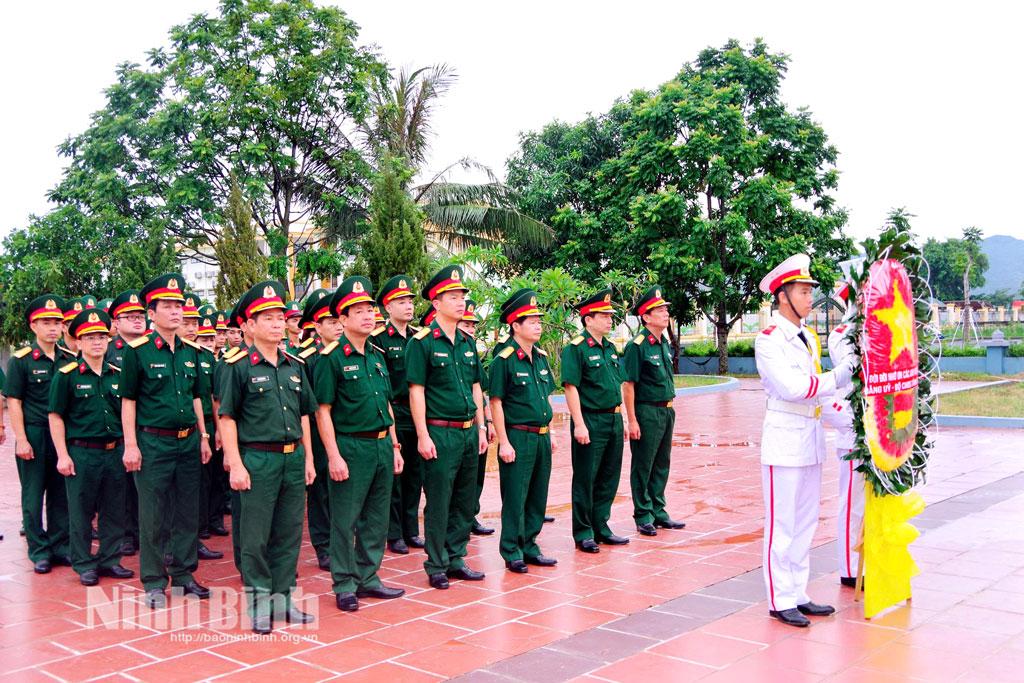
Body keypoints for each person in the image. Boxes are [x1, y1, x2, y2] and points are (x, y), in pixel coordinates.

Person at [755, 253, 857, 627]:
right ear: (783, 296)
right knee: (781, 525)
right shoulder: (768, 341)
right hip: (783, 443)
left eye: (810, 290)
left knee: (805, 522)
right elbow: (795, 388)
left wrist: (848, 422)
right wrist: (841, 375)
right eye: (802, 291)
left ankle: (798, 592)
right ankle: (779, 598)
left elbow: (818, 396)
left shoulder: (809, 338)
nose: (810, 297)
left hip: (810, 439)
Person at [219, 281, 317, 633]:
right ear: (249, 324)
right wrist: (235, 463)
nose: (277, 324)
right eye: (268, 318)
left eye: (280, 317)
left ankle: (284, 599)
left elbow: (305, 413)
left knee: (289, 533)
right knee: (256, 536)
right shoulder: (238, 366)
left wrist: (308, 459)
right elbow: (227, 417)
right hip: (258, 459)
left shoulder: (294, 364)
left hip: (293, 458)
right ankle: (259, 603)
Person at [120, 273, 212, 609]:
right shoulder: (137, 352)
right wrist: (131, 444)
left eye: (179, 305)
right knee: (154, 513)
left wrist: (203, 435)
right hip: (153, 443)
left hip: (188, 441)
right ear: (152, 312)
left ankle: (184, 574)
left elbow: (197, 397)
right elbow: (128, 401)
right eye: (168, 306)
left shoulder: (191, 352)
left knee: (188, 511)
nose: (177, 312)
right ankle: (154, 581)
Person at [315, 277, 406, 611]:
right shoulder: (331, 358)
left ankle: (368, 577)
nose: (368, 316)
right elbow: (322, 411)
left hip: (382, 445)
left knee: (376, 517)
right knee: (345, 518)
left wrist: (395, 447)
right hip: (351, 447)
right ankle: (343, 583)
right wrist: (334, 456)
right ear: (342, 319)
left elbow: (388, 406)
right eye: (359, 311)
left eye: (370, 309)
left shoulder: (377, 356)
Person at [405, 265, 489, 589]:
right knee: (439, 499)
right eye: (452, 297)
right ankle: (436, 563)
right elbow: (417, 391)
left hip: (469, 430)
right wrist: (423, 435)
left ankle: (456, 556)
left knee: (465, 499)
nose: (460, 302)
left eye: (461, 297)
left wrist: (482, 429)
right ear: (436, 302)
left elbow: (476, 387)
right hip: (440, 432)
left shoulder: (467, 342)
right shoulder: (423, 343)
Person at [49, 308, 134, 586]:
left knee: (114, 509)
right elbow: (56, 416)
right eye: (90, 337)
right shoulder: (67, 374)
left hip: (114, 450)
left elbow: (125, 411)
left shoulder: (117, 374)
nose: (97, 342)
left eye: (101, 337)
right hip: (82, 452)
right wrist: (62, 455)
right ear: (79, 342)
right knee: (81, 510)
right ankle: (84, 563)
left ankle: (110, 559)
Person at [489, 289, 557, 573]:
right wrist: (503, 442)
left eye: (539, 320)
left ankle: (530, 544)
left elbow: (547, 397)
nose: (538, 325)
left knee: (537, 494)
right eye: (531, 321)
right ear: (515, 326)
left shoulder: (540, 357)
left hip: (540, 435)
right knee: (516, 495)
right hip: (517, 435)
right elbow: (496, 402)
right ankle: (512, 549)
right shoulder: (504, 360)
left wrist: (550, 433)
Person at [5, 295, 73, 573]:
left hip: (63, 436)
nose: (53, 328)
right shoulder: (21, 361)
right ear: (34, 326)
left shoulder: (69, 358)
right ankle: (39, 550)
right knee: (33, 496)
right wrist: (21, 438)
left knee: (61, 494)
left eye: (57, 322)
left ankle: (60, 547)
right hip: (34, 433)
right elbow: (14, 401)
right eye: (46, 323)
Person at [562, 289, 628, 553]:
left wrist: (621, 418)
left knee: (608, 476)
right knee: (586, 477)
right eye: (604, 315)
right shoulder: (575, 349)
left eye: (610, 315)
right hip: (590, 420)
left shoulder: (610, 349)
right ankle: (583, 531)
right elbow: (570, 387)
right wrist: (579, 423)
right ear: (588, 319)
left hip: (612, 419)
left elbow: (618, 385)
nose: (610, 320)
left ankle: (601, 525)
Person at [622, 286, 686, 536]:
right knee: (643, 464)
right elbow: (628, 385)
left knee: (662, 463)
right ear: (646, 316)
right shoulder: (637, 346)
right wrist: (632, 420)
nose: (665, 313)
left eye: (665, 309)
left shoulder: (662, 343)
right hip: (646, 411)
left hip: (666, 410)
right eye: (659, 310)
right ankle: (643, 514)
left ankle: (658, 510)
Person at [373, 274, 426, 554]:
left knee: (415, 475)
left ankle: (411, 529)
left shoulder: (419, 338)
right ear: (387, 307)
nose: (407, 306)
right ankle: (393, 533)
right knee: (395, 477)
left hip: (418, 414)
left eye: (409, 301)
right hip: (394, 413)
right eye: (400, 301)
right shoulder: (379, 340)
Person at [823, 280, 863, 589]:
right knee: (853, 502)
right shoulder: (842, 337)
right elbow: (853, 370)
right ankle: (850, 567)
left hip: (882, 429)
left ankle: (873, 560)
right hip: (855, 431)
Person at [106, 290, 148, 557]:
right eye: (129, 317)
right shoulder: (108, 351)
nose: (136, 321)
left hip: (149, 428)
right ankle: (126, 535)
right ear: (116, 323)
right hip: (118, 430)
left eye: (140, 316)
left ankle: (145, 533)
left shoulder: (150, 348)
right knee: (121, 489)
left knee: (145, 489)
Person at [298, 288, 336, 571]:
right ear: (316, 325)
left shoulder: (344, 353)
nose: (336, 325)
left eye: (338, 319)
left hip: (342, 432)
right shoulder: (306, 358)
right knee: (320, 490)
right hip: (315, 432)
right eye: (329, 321)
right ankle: (323, 545)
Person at [458, 299, 496, 537]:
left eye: (473, 325)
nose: (471, 329)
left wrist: (487, 423)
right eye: (466, 324)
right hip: (451, 424)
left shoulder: (470, 349)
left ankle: (470, 515)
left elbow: (480, 390)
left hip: (475, 422)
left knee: (476, 474)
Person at [197, 305, 230, 541]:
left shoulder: (214, 360)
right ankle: (201, 525)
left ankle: (214, 519)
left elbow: (216, 398)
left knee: (217, 477)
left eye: (212, 337)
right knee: (200, 480)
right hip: (197, 426)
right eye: (205, 337)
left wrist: (218, 430)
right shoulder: (197, 358)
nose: (210, 341)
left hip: (214, 423)